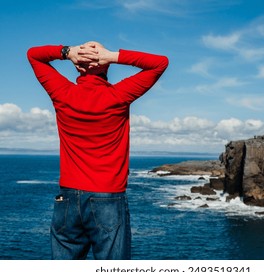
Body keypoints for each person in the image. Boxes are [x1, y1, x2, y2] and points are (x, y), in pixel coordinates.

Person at [27, 41, 169, 260]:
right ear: (105, 66)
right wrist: (112, 56)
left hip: (67, 198)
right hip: (108, 197)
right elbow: (160, 63)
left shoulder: (62, 94)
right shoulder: (119, 96)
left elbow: (34, 55)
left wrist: (67, 52)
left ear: (77, 66)